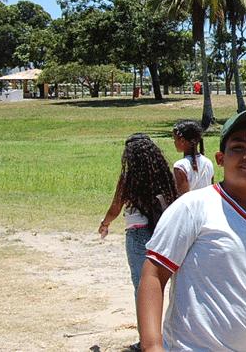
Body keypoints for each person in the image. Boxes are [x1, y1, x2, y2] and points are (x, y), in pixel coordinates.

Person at [136, 109, 246, 352]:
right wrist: (152, 346)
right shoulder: (193, 207)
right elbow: (153, 275)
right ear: (220, 158)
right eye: (238, 147)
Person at [99, 133, 178, 351]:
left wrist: (105, 223)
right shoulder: (164, 174)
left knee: (142, 288)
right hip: (163, 232)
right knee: (170, 286)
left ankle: (147, 340)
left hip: (138, 234)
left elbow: (116, 207)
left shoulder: (129, 178)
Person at [171, 119, 214, 194]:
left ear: (182, 141)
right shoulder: (208, 162)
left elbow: (182, 197)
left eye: (175, 139)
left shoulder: (180, 166)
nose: (174, 142)